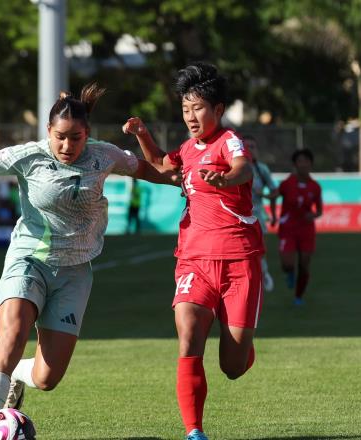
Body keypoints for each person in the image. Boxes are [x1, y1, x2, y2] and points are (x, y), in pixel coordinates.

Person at [0, 83, 174, 440]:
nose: (68, 146)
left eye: (76, 138)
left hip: (75, 271)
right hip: (29, 260)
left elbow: (155, 172)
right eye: (60, 137)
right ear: (48, 132)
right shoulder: (28, 155)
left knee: (46, 379)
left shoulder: (106, 155)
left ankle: (17, 378)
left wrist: (201, 181)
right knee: (10, 339)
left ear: (88, 135)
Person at [123, 62, 264, 440]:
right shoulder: (187, 149)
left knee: (232, 367)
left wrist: (225, 178)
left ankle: (243, 349)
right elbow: (161, 165)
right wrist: (142, 134)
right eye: (185, 109)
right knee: (187, 332)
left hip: (239, 261)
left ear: (218, 110)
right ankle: (194, 431)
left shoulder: (229, 140)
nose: (190, 117)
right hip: (194, 260)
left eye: (197, 108)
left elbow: (243, 169)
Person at [270, 148, 322, 306]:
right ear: (295, 164)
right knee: (287, 263)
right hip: (288, 228)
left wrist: (312, 215)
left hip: (306, 229)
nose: (303, 164)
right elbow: (273, 196)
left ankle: (298, 296)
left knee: (305, 264)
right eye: (300, 161)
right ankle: (289, 272)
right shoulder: (288, 183)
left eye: (306, 161)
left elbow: (319, 211)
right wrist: (273, 215)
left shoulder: (315, 187)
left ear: (311, 164)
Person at [246, 136, 278, 291]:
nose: (250, 149)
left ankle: (264, 275)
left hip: (257, 215)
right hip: (237, 216)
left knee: (258, 248)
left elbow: (274, 191)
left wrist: (272, 213)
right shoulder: (233, 167)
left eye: (253, 146)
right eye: (247, 146)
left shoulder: (261, 169)